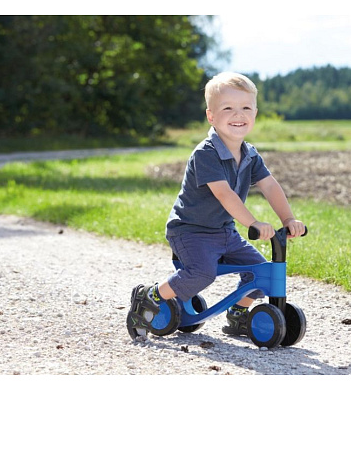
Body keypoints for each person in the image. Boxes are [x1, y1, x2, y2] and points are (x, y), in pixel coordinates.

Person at [127, 72, 305, 338]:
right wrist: (253, 223)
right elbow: (224, 194)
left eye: (246, 108)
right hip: (190, 231)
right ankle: (150, 296)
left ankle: (238, 314)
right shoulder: (206, 153)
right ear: (211, 116)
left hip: (224, 232)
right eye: (228, 108)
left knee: (262, 274)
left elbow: (269, 185)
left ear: (255, 114)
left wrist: (288, 219)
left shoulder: (250, 154)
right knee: (202, 273)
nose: (238, 114)